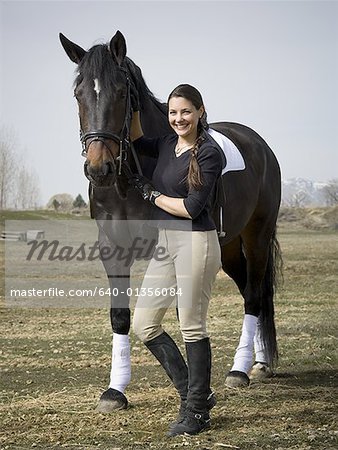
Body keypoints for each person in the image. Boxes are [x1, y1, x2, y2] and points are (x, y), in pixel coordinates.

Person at [129, 84, 223, 437]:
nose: (178, 118)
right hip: (166, 244)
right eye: (172, 112)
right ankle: (194, 394)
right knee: (144, 324)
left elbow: (191, 208)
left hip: (196, 242)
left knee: (192, 327)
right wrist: (134, 95)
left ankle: (197, 411)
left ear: (199, 111)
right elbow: (138, 139)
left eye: (185, 111)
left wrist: (152, 195)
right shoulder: (168, 143)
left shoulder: (210, 153)